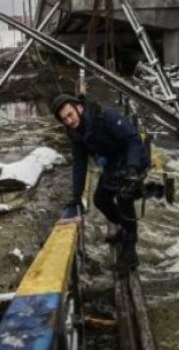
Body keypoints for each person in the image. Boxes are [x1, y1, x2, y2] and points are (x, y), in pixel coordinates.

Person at [51, 93, 149, 273]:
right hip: (113, 163)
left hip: (132, 159)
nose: (69, 120)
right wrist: (76, 194)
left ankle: (130, 251)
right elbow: (80, 163)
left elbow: (133, 140)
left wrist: (133, 170)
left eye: (70, 114)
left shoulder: (105, 116)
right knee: (100, 199)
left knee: (124, 197)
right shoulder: (75, 133)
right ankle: (125, 227)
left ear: (78, 107)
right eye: (64, 119)